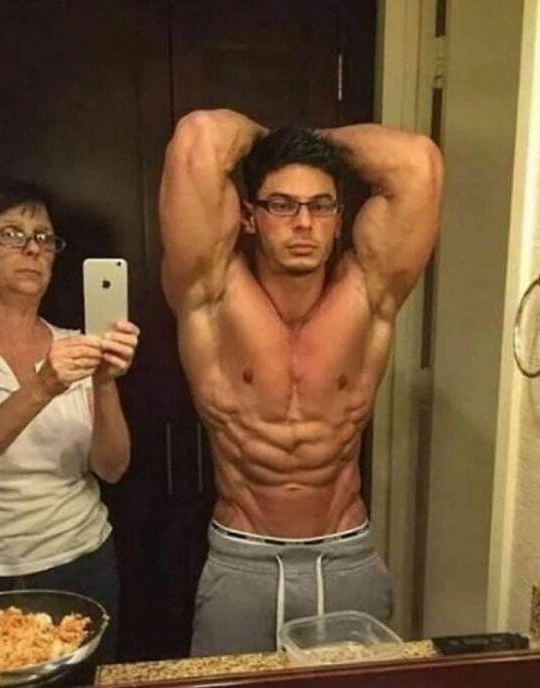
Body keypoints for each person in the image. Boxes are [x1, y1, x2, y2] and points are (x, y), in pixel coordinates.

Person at [159, 110, 442, 656]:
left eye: (320, 205)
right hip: (244, 562)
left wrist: (314, 140)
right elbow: (199, 136)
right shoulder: (211, 293)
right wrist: (274, 141)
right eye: (282, 205)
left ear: (339, 219)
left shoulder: (369, 292)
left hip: (346, 559)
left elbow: (418, 164)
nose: (304, 223)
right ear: (249, 217)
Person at [0, 178, 139, 664]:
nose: (32, 249)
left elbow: (112, 467)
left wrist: (105, 382)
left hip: (83, 560)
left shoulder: (75, 344)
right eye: (11, 234)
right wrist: (43, 385)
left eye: (44, 238)